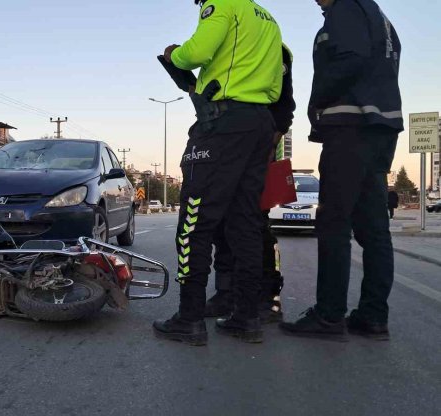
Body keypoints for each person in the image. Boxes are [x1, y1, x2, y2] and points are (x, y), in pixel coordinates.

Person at [153, 0, 283, 345]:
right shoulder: (267, 18)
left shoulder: (221, 2)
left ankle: (190, 317)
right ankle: (246, 316)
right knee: (245, 224)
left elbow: (197, 52)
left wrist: (175, 55)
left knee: (194, 222)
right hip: (259, 123)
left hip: (222, 124)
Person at [280, 0, 402, 341]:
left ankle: (329, 315)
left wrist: (316, 101)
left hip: (350, 127)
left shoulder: (347, 8)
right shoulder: (379, 17)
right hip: (380, 128)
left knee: (333, 222)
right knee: (374, 227)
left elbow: (351, 59)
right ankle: (373, 316)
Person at [206, 43, 296, 324]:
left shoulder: (273, 46)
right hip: (225, 148)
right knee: (221, 225)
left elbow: (284, 106)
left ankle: (267, 298)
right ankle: (226, 293)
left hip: (259, 151)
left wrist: (270, 144)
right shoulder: (222, 43)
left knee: (254, 226)